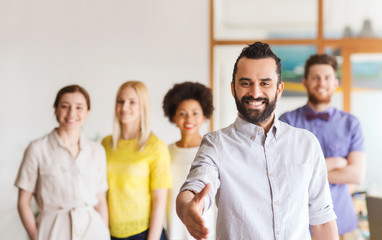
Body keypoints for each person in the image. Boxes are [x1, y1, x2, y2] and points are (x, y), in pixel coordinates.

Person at [176, 42, 339, 240]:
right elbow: (195, 185)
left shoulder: (306, 143)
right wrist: (187, 209)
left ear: (279, 89)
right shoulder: (216, 144)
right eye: (245, 83)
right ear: (233, 88)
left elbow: (322, 220)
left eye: (265, 83)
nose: (255, 93)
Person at [279, 54, 366, 240]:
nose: (321, 83)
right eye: (315, 78)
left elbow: (356, 175)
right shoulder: (287, 122)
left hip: (344, 225)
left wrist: (306, 173)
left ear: (335, 83)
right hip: (298, 227)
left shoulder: (351, 124)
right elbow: (284, 173)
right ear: (305, 81)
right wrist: (336, 162)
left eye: (327, 78)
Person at [15, 84, 110, 240]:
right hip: (53, 230)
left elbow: (100, 201)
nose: (72, 113)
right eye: (65, 106)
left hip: (92, 231)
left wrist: (103, 232)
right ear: (56, 109)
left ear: (87, 112)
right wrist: (36, 236)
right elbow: (23, 202)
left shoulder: (97, 151)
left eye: (79, 107)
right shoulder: (37, 149)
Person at [102, 81, 172, 240]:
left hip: (144, 233)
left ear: (143, 107)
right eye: (120, 101)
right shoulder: (105, 144)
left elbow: (159, 202)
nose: (124, 107)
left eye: (132, 102)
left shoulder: (156, 147)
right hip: (110, 233)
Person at [162, 81, 216, 240]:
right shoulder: (165, 151)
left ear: (204, 115)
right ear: (173, 117)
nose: (188, 119)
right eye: (182, 113)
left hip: (205, 229)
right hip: (174, 228)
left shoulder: (211, 149)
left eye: (195, 113)